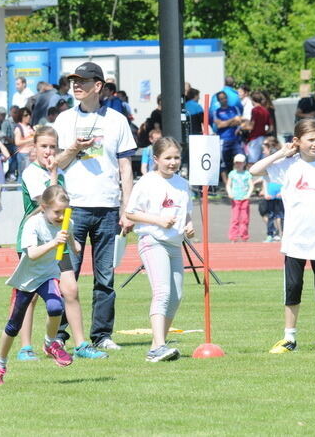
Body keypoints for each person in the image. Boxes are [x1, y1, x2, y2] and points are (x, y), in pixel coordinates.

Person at [53, 62, 136, 350]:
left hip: (108, 207)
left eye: (84, 81)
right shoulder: (63, 120)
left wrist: (127, 208)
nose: (76, 85)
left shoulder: (117, 120)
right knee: (67, 275)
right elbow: (57, 163)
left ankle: (101, 335)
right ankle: (61, 334)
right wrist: (74, 148)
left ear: (98, 86)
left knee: (105, 277)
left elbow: (126, 168)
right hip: (73, 208)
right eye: (74, 81)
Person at [14, 126, 106, 363]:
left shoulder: (59, 173)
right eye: (43, 146)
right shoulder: (32, 173)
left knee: (71, 290)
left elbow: (62, 211)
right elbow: (46, 201)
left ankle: (80, 344)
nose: (48, 151)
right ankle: (25, 347)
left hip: (60, 241)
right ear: (34, 148)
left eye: (52, 147)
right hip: (35, 241)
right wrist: (54, 174)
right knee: (29, 296)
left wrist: (72, 236)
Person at [250, 119, 315, 354]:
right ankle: (289, 338)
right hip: (294, 239)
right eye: (311, 140)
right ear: (297, 141)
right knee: (293, 287)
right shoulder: (287, 165)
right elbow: (254, 170)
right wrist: (282, 152)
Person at [0, 185, 78, 386]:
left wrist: (74, 245)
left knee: (56, 307)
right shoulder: (33, 223)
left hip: (48, 275)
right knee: (13, 325)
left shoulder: (66, 222)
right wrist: (55, 243)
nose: (61, 217)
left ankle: (49, 343)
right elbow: (33, 254)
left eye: (64, 212)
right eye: (56, 212)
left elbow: (72, 240)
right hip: (27, 279)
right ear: (44, 207)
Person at [125, 137, 195, 362]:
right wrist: (157, 221)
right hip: (152, 240)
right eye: (167, 158)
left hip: (175, 243)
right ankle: (159, 346)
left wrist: (190, 225)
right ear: (156, 159)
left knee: (176, 296)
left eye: (176, 157)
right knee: (162, 291)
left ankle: (157, 346)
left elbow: (188, 213)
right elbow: (130, 213)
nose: (172, 162)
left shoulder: (182, 184)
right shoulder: (147, 182)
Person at [211, 91, 244, 185]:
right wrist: (232, 120)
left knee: (240, 159)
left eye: (225, 98)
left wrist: (226, 123)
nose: (224, 100)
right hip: (223, 140)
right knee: (223, 163)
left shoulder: (234, 109)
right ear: (218, 100)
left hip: (235, 139)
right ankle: (227, 185)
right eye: (221, 99)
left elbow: (239, 121)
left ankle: (239, 182)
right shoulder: (216, 112)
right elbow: (220, 125)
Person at [259, 137, 283, 242]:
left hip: (280, 193)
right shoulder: (266, 164)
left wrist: (283, 192)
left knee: (281, 215)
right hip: (270, 192)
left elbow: (285, 179)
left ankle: (282, 234)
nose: (263, 152)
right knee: (269, 214)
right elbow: (264, 179)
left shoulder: (281, 162)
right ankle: (271, 234)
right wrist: (265, 191)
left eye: (264, 149)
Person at [227, 154, 253, 242]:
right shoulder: (232, 173)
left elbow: (251, 185)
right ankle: (233, 237)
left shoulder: (247, 174)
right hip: (235, 199)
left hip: (244, 199)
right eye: (237, 163)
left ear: (244, 163)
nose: (238, 165)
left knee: (244, 219)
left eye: (240, 163)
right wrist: (230, 193)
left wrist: (248, 194)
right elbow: (228, 185)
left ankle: (244, 237)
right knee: (235, 219)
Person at [246, 91, 272, 164]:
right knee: (261, 161)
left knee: (252, 161)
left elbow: (251, 126)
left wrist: (241, 127)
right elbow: (271, 128)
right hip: (263, 138)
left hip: (254, 138)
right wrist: (264, 132)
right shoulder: (265, 110)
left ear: (252, 100)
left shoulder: (255, 110)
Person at [13, 107, 34, 175]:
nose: (28, 116)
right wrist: (30, 140)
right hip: (24, 154)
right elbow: (17, 142)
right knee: (23, 175)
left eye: (29, 114)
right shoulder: (19, 127)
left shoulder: (29, 127)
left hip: (32, 153)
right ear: (21, 116)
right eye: (26, 115)